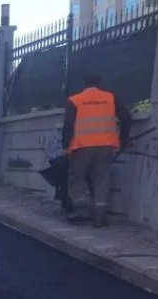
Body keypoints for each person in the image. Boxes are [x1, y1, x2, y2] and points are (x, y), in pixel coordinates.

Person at [61, 73, 132, 227]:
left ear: (83, 84)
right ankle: (99, 215)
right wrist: (123, 140)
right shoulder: (110, 98)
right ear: (100, 83)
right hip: (106, 146)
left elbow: (68, 125)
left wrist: (65, 146)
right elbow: (126, 118)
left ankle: (82, 212)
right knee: (101, 180)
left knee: (76, 178)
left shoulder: (75, 100)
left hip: (81, 147)